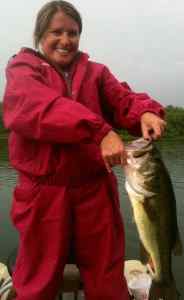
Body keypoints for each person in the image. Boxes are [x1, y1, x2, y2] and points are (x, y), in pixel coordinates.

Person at [3, 1, 166, 300]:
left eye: (73, 32)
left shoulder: (97, 72)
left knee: (106, 274)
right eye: (56, 32)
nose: (65, 40)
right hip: (43, 194)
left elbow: (123, 100)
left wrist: (145, 112)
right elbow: (34, 107)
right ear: (40, 34)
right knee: (36, 278)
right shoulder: (23, 69)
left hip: (95, 190)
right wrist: (100, 131)